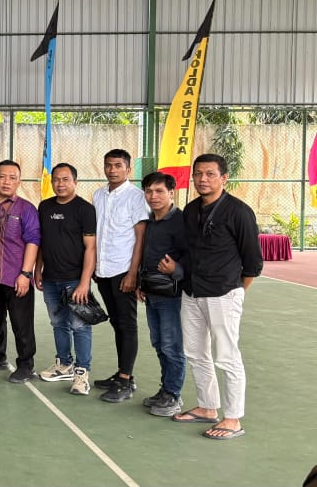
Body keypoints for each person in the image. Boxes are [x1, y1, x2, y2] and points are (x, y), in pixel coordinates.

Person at [172, 153, 262, 440]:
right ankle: (207, 407)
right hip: (192, 292)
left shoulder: (239, 212)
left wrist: (235, 293)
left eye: (210, 174)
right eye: (198, 174)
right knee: (195, 352)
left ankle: (233, 418)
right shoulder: (190, 210)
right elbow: (188, 252)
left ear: (224, 178)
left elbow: (253, 262)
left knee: (227, 356)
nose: (203, 179)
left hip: (223, 294)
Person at [91, 149, 149, 402]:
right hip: (103, 270)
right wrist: (95, 267)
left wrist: (133, 273)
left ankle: (126, 380)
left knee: (126, 324)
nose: (112, 170)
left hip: (124, 270)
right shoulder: (98, 195)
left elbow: (140, 237)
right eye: (108, 165)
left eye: (117, 165)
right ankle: (121, 372)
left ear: (128, 169)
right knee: (116, 322)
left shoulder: (136, 197)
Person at [35, 163, 97, 396]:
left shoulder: (85, 210)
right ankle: (64, 364)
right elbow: (42, 242)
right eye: (56, 180)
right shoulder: (44, 207)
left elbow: (91, 248)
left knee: (80, 326)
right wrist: (38, 269)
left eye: (65, 179)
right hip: (51, 279)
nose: (60, 184)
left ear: (75, 182)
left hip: (75, 280)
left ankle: (82, 373)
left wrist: (84, 282)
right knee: (58, 323)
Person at [138, 172, 189, 417]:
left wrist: (176, 269)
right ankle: (165, 389)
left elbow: (192, 255)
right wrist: (141, 283)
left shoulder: (180, 222)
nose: (153, 196)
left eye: (159, 191)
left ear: (171, 193)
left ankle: (173, 395)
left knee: (172, 345)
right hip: (152, 292)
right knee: (159, 343)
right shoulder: (150, 221)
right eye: (149, 191)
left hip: (172, 295)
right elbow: (146, 256)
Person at [0, 160, 41, 383]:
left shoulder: (26, 209)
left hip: (16, 276)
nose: (7, 181)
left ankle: (26, 364)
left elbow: (33, 241)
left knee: (21, 323)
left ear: (19, 181)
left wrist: (26, 274)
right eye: (2, 176)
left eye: (12, 177)